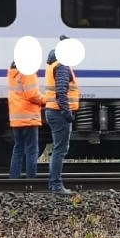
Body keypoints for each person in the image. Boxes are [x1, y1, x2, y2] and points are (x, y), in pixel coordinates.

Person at [45, 37, 80, 194]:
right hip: (59, 113)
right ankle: (57, 185)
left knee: (58, 149)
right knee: (60, 150)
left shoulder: (55, 64)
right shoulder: (62, 67)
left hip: (53, 111)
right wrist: (67, 114)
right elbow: (61, 92)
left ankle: (54, 184)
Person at [7, 61, 46, 179]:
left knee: (18, 148)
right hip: (29, 117)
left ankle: (14, 179)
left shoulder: (12, 73)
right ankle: (31, 180)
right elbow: (33, 95)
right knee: (32, 150)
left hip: (16, 117)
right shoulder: (28, 73)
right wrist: (48, 99)